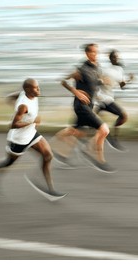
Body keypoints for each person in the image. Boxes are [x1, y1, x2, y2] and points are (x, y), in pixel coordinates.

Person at [0, 78, 66, 199]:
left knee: (48, 155)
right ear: (27, 89)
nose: (38, 90)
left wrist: (17, 107)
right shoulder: (23, 105)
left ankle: (49, 190)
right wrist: (31, 120)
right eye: (36, 88)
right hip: (19, 140)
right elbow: (13, 125)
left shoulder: (26, 94)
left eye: (38, 87)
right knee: (8, 162)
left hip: (31, 134)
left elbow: (10, 97)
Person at [51, 43, 115, 173]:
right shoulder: (80, 69)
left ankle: (56, 151)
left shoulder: (97, 67)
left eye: (97, 52)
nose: (95, 55)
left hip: (89, 106)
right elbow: (63, 80)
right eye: (92, 52)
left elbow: (95, 82)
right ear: (87, 53)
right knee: (104, 130)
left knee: (75, 132)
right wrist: (76, 92)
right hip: (80, 106)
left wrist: (104, 82)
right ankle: (98, 159)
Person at [94, 50, 134, 152]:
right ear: (110, 59)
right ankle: (112, 140)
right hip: (102, 98)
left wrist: (129, 80)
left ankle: (112, 139)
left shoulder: (119, 69)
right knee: (123, 115)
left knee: (122, 117)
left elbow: (121, 86)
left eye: (117, 57)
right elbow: (96, 81)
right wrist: (101, 81)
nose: (116, 59)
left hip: (108, 98)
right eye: (114, 57)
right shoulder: (105, 70)